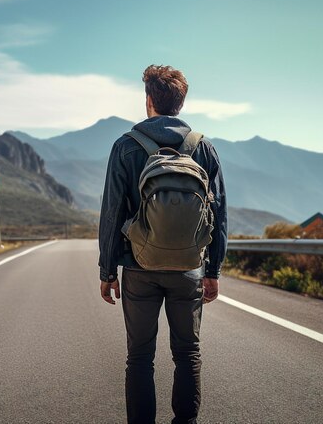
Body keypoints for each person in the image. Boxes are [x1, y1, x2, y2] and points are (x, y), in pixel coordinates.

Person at [98, 64, 227, 424]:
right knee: (188, 353)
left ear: (149, 100)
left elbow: (111, 212)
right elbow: (219, 214)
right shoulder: (204, 149)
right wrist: (213, 270)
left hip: (139, 268)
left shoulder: (125, 146)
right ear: (181, 103)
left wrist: (107, 271)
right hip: (188, 268)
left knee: (139, 356)